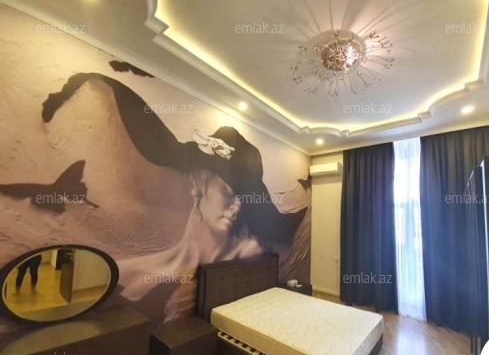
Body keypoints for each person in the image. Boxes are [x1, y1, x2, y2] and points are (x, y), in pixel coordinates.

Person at [42, 73, 308, 325]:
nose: (237, 207)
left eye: (244, 199)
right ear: (198, 184)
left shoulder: (249, 252)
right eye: (229, 192)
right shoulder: (131, 273)